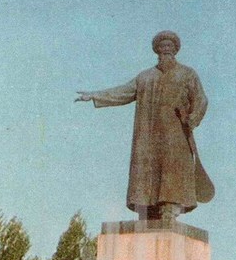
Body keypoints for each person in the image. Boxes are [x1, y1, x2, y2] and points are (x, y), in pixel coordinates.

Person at [76, 31, 213, 223]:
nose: (166, 50)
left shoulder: (187, 74)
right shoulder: (145, 77)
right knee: (146, 171)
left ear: (175, 50)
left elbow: (201, 99)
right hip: (147, 134)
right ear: (157, 50)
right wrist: (95, 95)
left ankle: (169, 208)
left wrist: (193, 118)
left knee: (172, 170)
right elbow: (124, 91)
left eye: (169, 46)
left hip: (175, 133)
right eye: (162, 47)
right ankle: (148, 209)